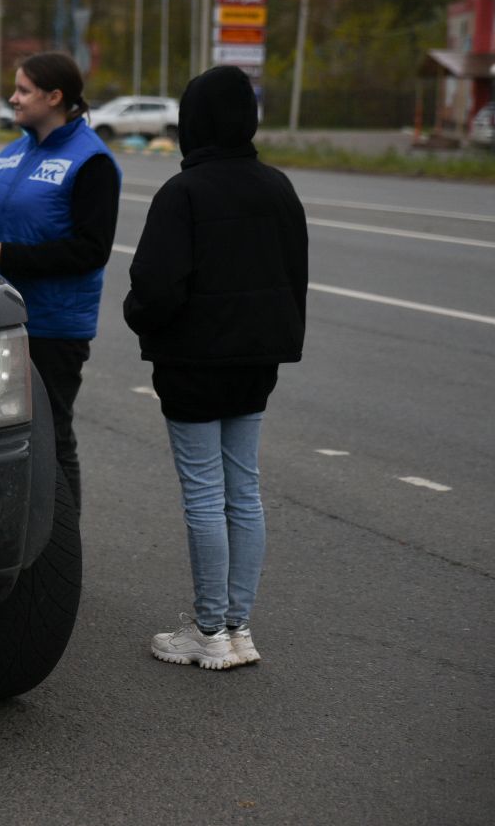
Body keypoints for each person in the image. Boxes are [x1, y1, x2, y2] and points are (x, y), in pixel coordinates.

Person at [122, 65, 308, 670]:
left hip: (192, 365)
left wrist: (139, 320)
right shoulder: (278, 187)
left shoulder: (183, 193)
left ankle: (208, 632)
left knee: (204, 495)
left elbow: (155, 286)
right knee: (243, 491)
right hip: (257, 361)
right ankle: (237, 628)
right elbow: (294, 276)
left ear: (193, 123)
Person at [0, 52, 120, 505]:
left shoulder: (92, 161)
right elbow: (0, 230)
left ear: (54, 97)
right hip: (1, 316)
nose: (12, 98)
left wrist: (9, 256)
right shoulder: (13, 153)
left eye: (23, 90)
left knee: (52, 436)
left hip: (54, 326)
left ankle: (61, 538)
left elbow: (91, 250)